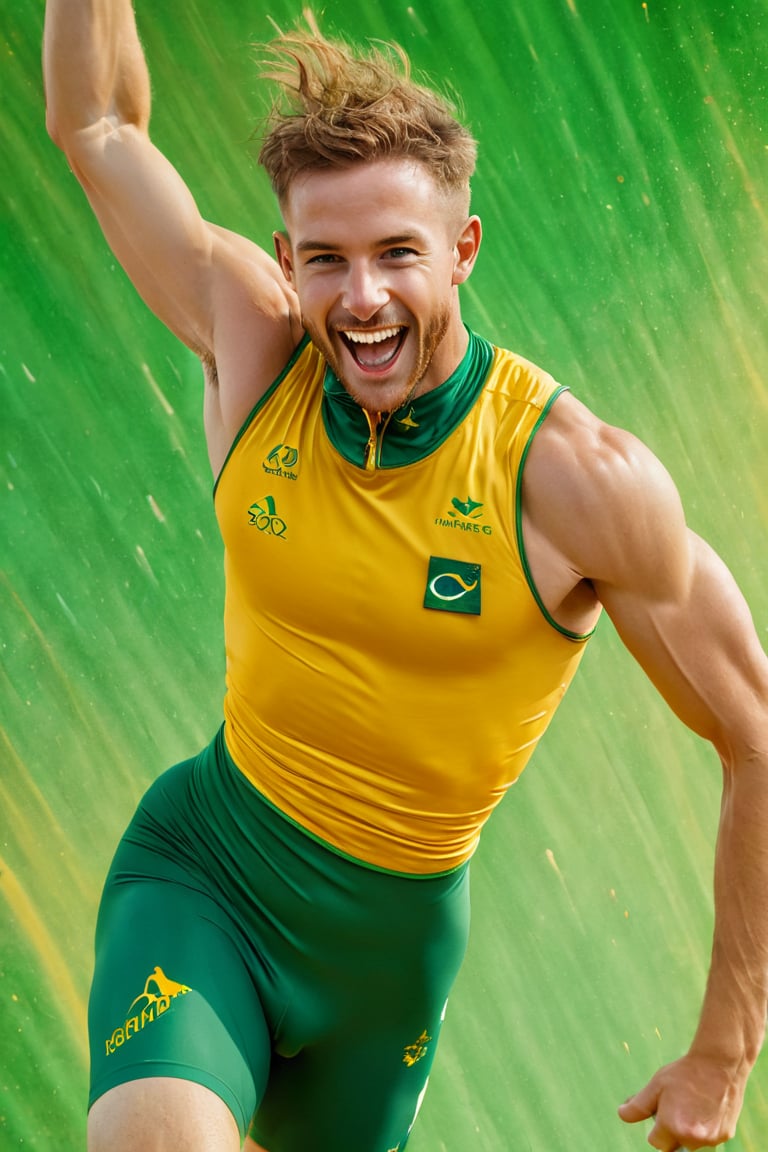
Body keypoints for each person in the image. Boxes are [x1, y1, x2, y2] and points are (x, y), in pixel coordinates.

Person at [43, 4, 768, 1151]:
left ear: (464, 249)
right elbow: (96, 124)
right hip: (208, 873)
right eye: (326, 259)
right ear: (287, 260)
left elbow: (755, 733)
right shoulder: (256, 345)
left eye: (398, 255)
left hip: (387, 967)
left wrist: (726, 1048)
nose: (362, 298)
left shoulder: (576, 483)